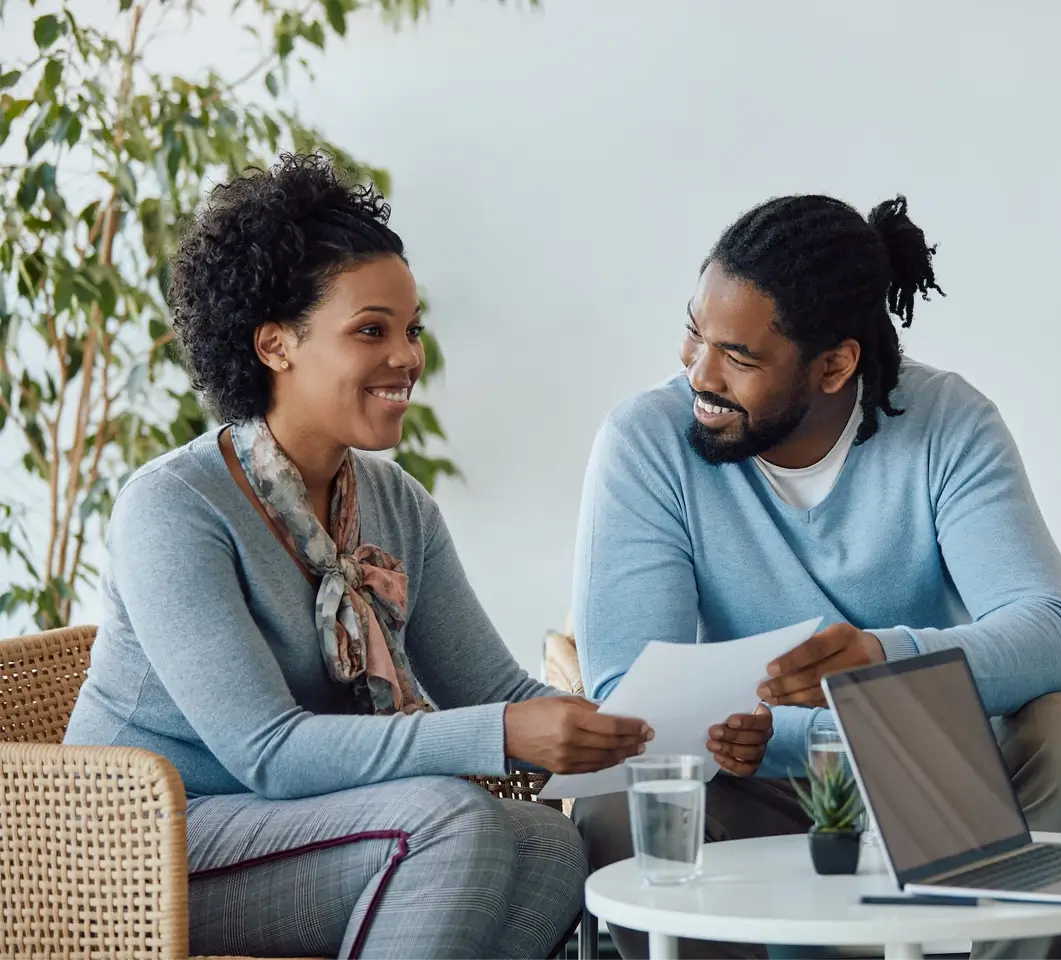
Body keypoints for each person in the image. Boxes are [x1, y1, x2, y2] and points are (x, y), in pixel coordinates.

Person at [63, 153, 655, 960]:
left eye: (411, 330)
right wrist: (506, 732)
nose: (408, 357)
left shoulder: (395, 501)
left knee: (548, 847)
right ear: (275, 345)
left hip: (295, 829)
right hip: (138, 848)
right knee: (447, 821)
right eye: (370, 330)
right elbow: (267, 751)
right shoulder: (174, 507)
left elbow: (497, 693)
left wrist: (654, 727)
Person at [571, 193, 1061, 960]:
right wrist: (779, 736)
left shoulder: (949, 423)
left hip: (928, 772)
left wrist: (880, 662)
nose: (699, 375)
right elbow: (628, 704)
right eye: (695, 334)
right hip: (750, 781)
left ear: (836, 364)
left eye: (738, 357)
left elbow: (1053, 636)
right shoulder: (647, 441)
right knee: (617, 802)